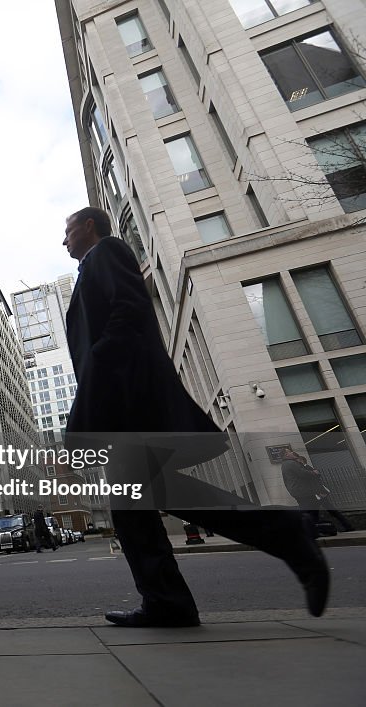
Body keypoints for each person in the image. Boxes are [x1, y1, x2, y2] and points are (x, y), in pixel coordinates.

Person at [62, 206, 329, 628]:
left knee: (142, 504)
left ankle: (277, 538)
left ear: (89, 226)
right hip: (122, 401)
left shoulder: (107, 251)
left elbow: (128, 312)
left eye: (69, 230)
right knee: (151, 502)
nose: (65, 240)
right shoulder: (93, 266)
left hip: (128, 402)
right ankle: (176, 597)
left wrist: (99, 368)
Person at [281, 448, 354, 533]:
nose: (292, 453)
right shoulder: (293, 465)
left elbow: (312, 480)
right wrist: (315, 474)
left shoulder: (290, 465)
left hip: (313, 493)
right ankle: (344, 526)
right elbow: (307, 476)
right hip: (312, 493)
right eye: (290, 452)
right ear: (286, 454)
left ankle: (344, 526)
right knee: (316, 512)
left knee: (314, 512)